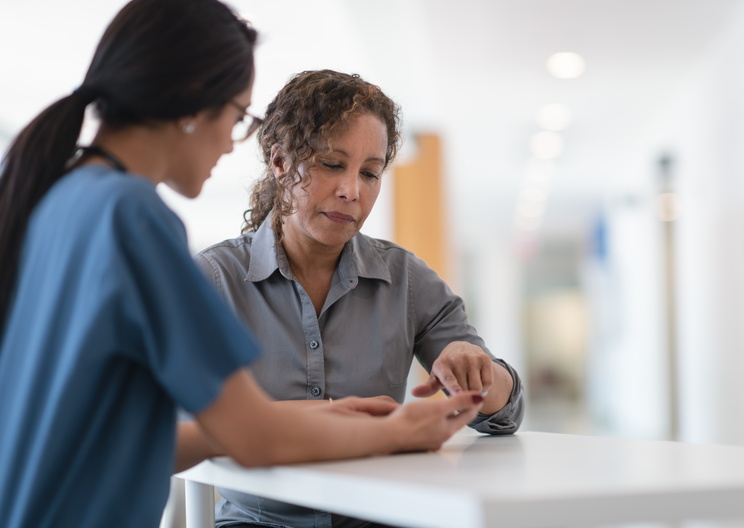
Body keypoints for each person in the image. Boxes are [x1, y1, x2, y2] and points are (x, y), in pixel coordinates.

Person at [0, 4, 486, 527]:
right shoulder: (134, 217)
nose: (232, 142)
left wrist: (306, 417)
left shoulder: (62, 197)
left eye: (369, 172)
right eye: (238, 116)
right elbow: (255, 439)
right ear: (191, 98)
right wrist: (404, 430)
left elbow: (113, 435)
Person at [193, 69, 526, 528]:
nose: (353, 191)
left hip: (379, 518)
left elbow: (504, 416)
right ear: (280, 162)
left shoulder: (406, 279)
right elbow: (180, 426)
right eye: (332, 164)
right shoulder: (213, 281)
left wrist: (479, 373)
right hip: (257, 521)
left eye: (370, 173)